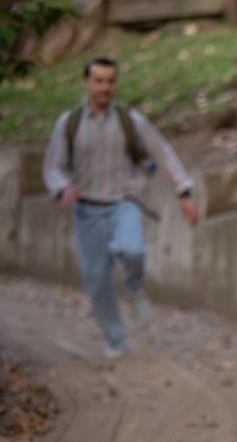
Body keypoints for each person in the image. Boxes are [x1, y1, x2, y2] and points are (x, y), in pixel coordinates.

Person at [42, 56, 200, 359]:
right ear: (87, 83)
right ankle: (115, 340)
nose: (105, 87)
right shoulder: (69, 123)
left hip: (123, 204)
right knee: (97, 279)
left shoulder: (131, 121)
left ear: (116, 84)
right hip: (87, 211)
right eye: (98, 81)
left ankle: (133, 286)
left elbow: (162, 152)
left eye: (110, 81)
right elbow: (54, 166)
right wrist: (63, 187)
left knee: (133, 251)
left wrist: (184, 192)